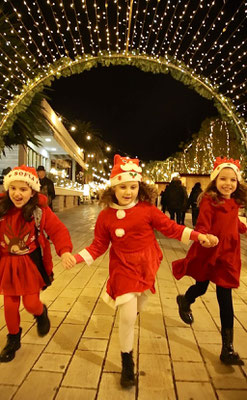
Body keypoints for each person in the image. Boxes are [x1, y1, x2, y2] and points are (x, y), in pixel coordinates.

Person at [62, 154, 218, 388]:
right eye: (123, 186)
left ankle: (131, 310)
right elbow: (98, 246)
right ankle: (127, 361)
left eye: (133, 186)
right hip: (122, 267)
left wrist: (198, 236)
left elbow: (171, 228)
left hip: (147, 264)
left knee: (139, 304)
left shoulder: (147, 210)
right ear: (113, 188)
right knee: (126, 315)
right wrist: (76, 258)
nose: (128, 191)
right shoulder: (105, 216)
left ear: (139, 187)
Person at [172, 157, 247, 366]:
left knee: (226, 299)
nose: (228, 184)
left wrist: (244, 228)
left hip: (228, 256)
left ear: (237, 182)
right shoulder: (209, 200)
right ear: (215, 180)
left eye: (232, 180)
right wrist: (205, 237)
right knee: (202, 287)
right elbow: (202, 225)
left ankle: (227, 349)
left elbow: (233, 223)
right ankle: (185, 300)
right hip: (210, 252)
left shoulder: (234, 201)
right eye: (223, 179)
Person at [0, 165, 73, 362]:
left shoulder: (39, 212)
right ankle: (13, 338)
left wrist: (64, 251)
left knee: (31, 303)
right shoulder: (2, 209)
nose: (17, 193)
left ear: (32, 191)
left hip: (29, 265)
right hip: (7, 264)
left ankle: (41, 313)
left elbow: (58, 231)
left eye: (23, 189)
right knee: (9, 305)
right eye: (13, 188)